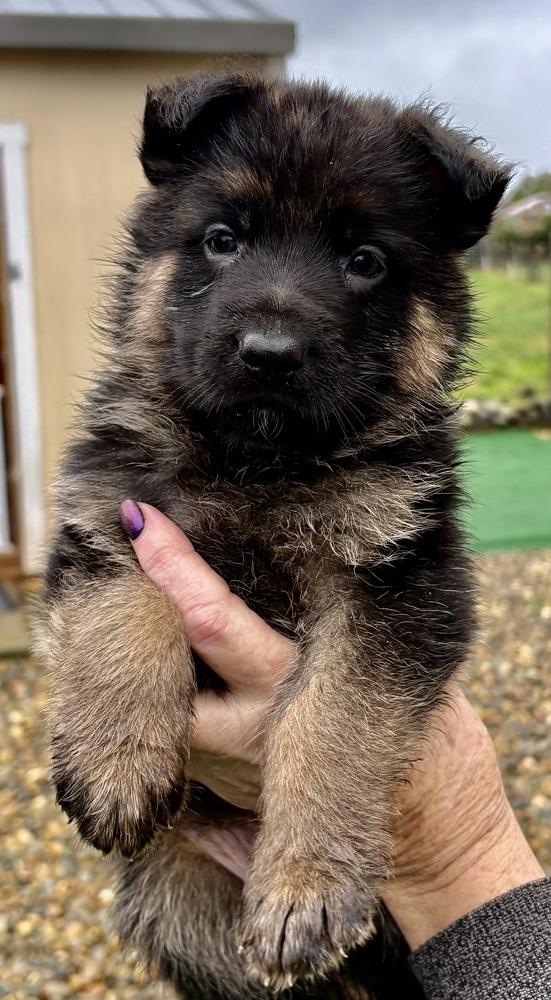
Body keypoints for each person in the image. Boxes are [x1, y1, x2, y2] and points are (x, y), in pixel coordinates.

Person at [121, 501, 550, 1000]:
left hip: (390, 892)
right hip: (193, 853)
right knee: (186, 933)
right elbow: (87, 572)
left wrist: (447, 846)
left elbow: (402, 608)